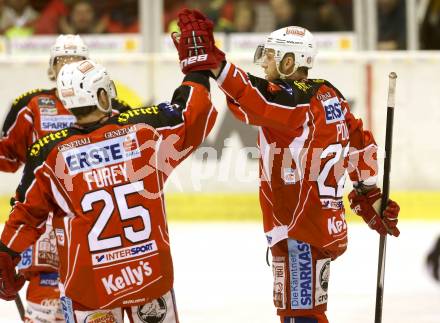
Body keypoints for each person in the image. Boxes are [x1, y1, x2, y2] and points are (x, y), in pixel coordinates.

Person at [176, 9, 401, 323]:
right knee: (303, 313)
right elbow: (360, 141)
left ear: (288, 63)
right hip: (321, 225)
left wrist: (214, 64)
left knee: (301, 317)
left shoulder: (294, 104)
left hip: (300, 231)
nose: (264, 63)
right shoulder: (329, 94)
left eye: (270, 56)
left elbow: (253, 96)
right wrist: (368, 193)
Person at [0, 12, 222, 320]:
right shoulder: (144, 131)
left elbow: (25, 215)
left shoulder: (49, 153)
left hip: (89, 293)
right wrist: (197, 69)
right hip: (149, 282)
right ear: (103, 94)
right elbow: (192, 115)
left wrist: (6, 256)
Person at [0, 34, 131, 322]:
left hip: (93, 221)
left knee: (94, 297)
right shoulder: (31, 105)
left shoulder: (112, 108)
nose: (69, 65)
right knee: (44, 307)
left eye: (77, 60)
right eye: (62, 59)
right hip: (43, 220)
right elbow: (7, 158)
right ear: (52, 65)